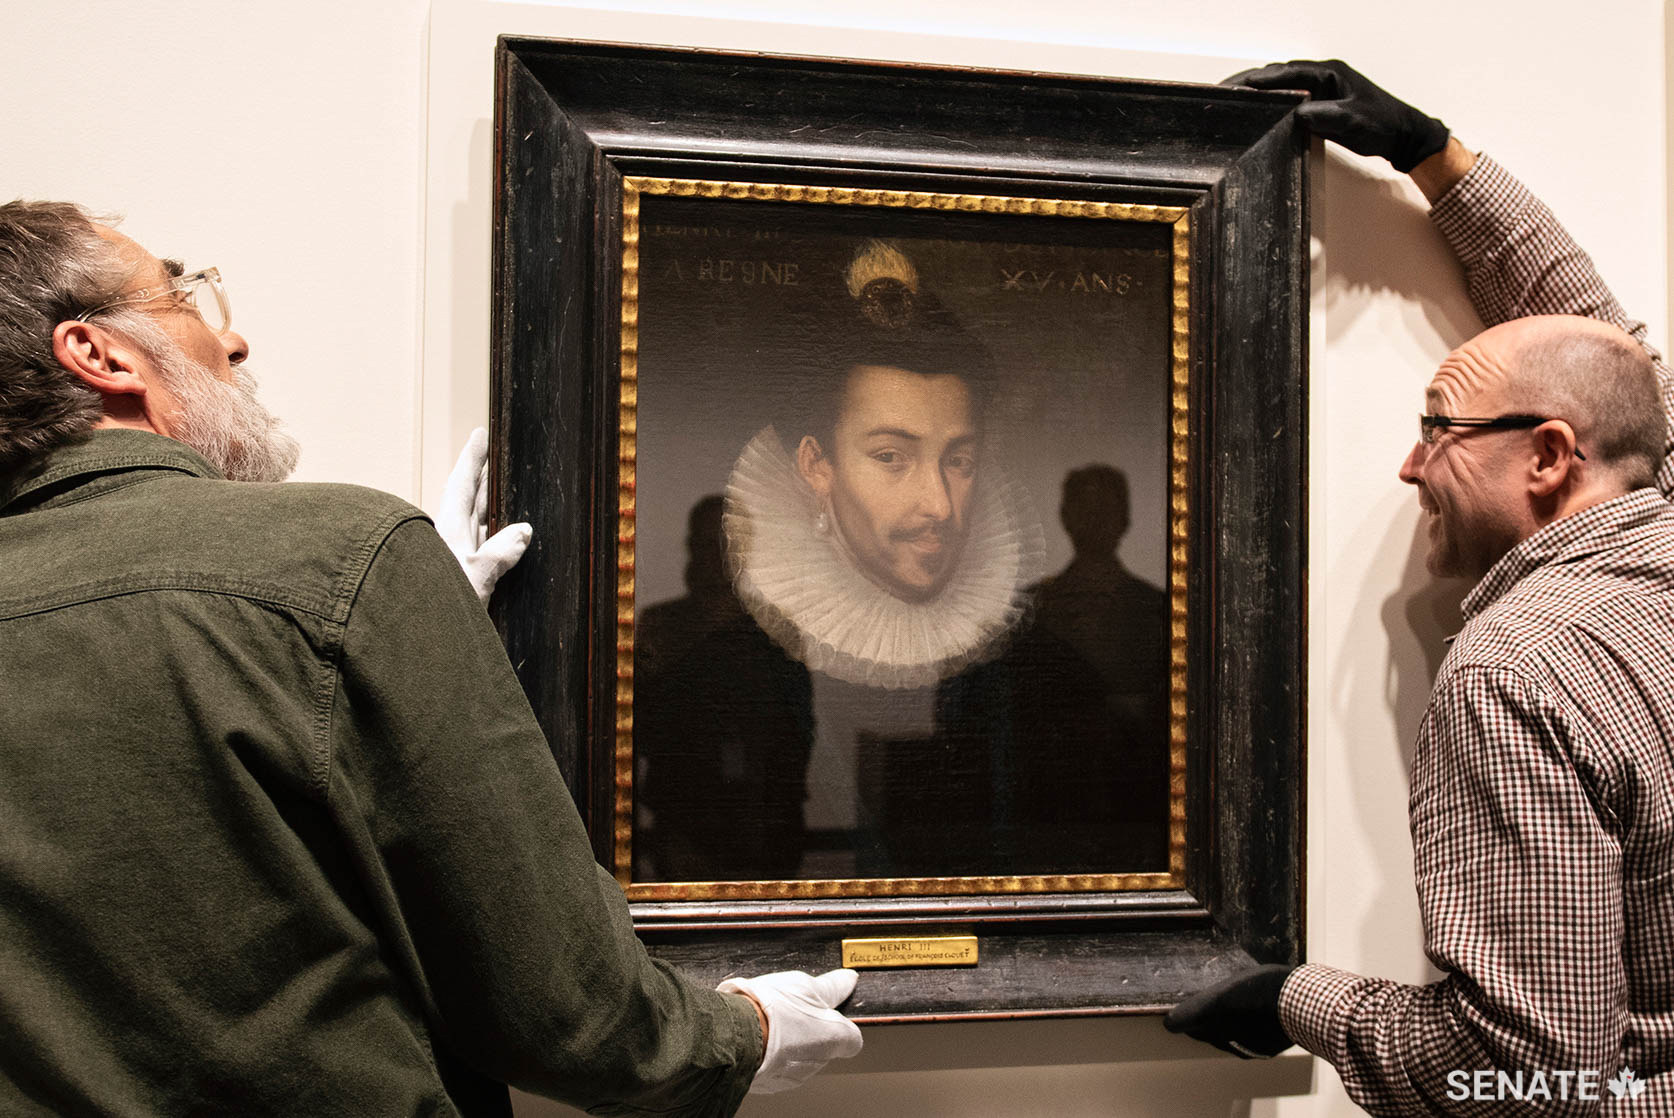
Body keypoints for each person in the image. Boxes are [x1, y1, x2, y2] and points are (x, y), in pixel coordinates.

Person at [0, 200, 862, 1115]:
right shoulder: (340, 552)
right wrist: (747, 1032)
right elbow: (575, 1016)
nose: (235, 340)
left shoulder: (328, 573)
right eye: (185, 295)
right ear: (102, 356)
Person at [1165, 61, 1674, 1112]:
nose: (1408, 466)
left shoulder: (1517, 670)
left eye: (1435, 429)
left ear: (1545, 459)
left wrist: (1298, 999)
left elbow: (1531, 1074)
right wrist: (1434, 155)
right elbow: (1618, 379)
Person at [723, 238, 1042, 690]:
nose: (940, 506)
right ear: (817, 465)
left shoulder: (1035, 669)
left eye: (958, 460)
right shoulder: (735, 669)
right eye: (891, 457)